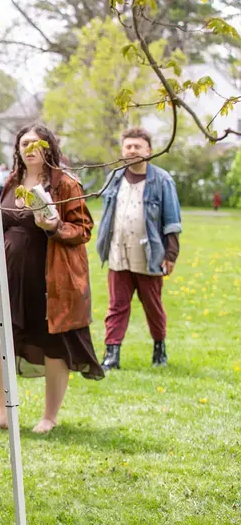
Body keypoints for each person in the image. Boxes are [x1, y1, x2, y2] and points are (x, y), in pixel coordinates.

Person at [0, 123, 103, 434]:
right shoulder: (13, 181)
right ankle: (3, 412)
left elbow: (82, 229)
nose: (28, 148)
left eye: (35, 143)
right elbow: (2, 220)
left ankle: (49, 417)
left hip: (50, 277)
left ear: (48, 148)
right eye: (23, 142)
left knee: (52, 344)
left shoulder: (65, 184)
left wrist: (55, 227)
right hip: (7, 273)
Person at [96, 127, 182, 370]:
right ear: (123, 150)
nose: (132, 150)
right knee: (116, 306)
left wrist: (171, 253)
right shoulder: (114, 178)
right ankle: (112, 353)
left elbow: (172, 220)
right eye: (128, 146)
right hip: (117, 253)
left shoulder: (162, 180)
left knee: (152, 306)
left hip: (149, 253)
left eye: (137, 146)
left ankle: (159, 349)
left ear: (148, 151)